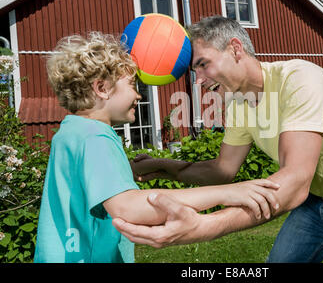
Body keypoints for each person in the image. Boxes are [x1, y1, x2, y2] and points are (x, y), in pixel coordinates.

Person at [113, 16, 323, 263]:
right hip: (316, 203)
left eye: (203, 65)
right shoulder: (239, 103)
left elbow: (294, 182)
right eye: (195, 71)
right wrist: (163, 166)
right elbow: (222, 170)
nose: (199, 81)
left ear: (235, 49)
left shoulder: (299, 79)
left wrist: (204, 226)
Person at [34, 32, 281, 263]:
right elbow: (129, 207)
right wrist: (228, 193)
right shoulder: (95, 138)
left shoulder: (71, 132)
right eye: (132, 85)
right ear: (101, 89)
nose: (138, 95)